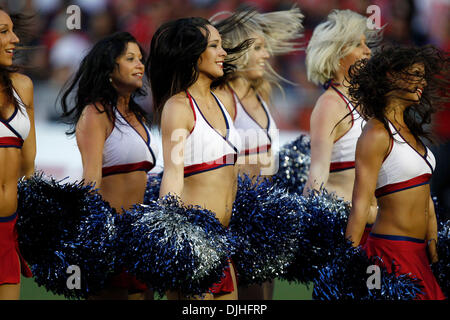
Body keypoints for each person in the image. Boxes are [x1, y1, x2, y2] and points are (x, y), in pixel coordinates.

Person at [147, 17, 249, 300]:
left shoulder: (223, 101)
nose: (223, 53)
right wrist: (169, 236)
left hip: (223, 244)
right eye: (214, 46)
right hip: (194, 246)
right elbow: (173, 173)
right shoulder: (178, 107)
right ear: (193, 54)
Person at [211, 6, 304, 300]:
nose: (267, 55)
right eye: (259, 48)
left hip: (264, 222)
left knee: (263, 298)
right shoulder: (223, 98)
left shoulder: (260, 92)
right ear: (237, 52)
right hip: (236, 218)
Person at [345, 45, 448, 300]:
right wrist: (345, 263)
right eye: (415, 74)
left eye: (424, 75)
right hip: (389, 253)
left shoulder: (411, 130)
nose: (422, 81)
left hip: (419, 254)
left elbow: (428, 202)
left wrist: (436, 254)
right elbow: (360, 204)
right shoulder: (377, 132)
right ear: (391, 75)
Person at [61, 31, 157, 300]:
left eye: (140, 59)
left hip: (138, 236)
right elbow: (91, 181)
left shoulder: (137, 115)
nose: (140, 65)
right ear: (109, 69)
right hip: (110, 240)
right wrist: (91, 240)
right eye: (130, 59)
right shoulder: (96, 113)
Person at [303, 9, 382, 244]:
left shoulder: (368, 102)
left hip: (377, 228)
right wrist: (309, 225)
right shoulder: (329, 104)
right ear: (338, 54)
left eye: (366, 44)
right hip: (346, 231)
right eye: (359, 45)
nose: (368, 51)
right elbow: (317, 172)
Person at [0, 7, 35, 300]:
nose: (14, 39)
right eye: (3, 32)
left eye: (12, 30)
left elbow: (29, 166)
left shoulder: (23, 87)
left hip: (9, 228)